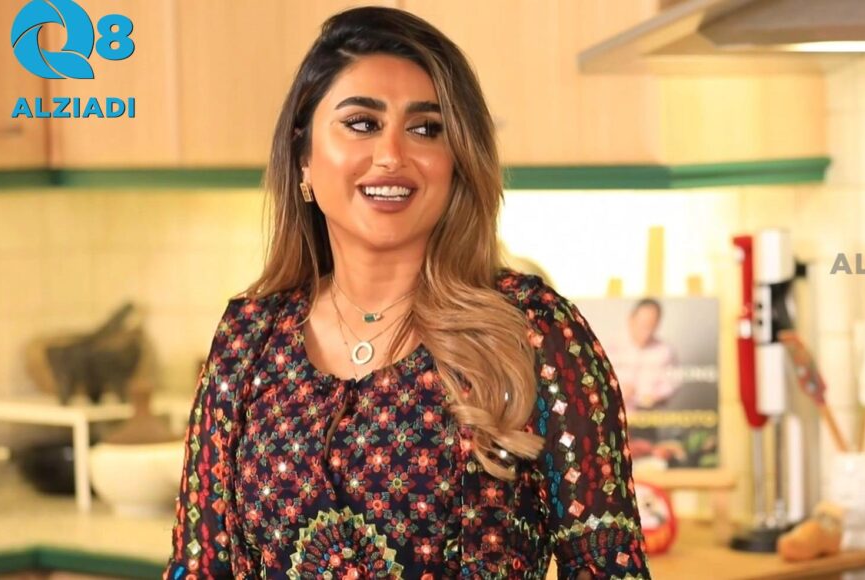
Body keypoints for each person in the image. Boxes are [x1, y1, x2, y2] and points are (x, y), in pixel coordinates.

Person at [163, 6, 648, 579]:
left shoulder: (534, 331)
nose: (392, 155)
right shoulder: (247, 340)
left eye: (425, 129)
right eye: (361, 123)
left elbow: (607, 567)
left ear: (457, 161)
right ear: (303, 157)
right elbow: (198, 566)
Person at [610, 299, 682, 411]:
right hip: (616, 414)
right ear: (631, 320)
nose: (647, 330)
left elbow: (672, 383)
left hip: (649, 415)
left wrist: (649, 395)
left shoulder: (665, 352)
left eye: (652, 324)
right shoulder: (612, 347)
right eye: (643, 323)